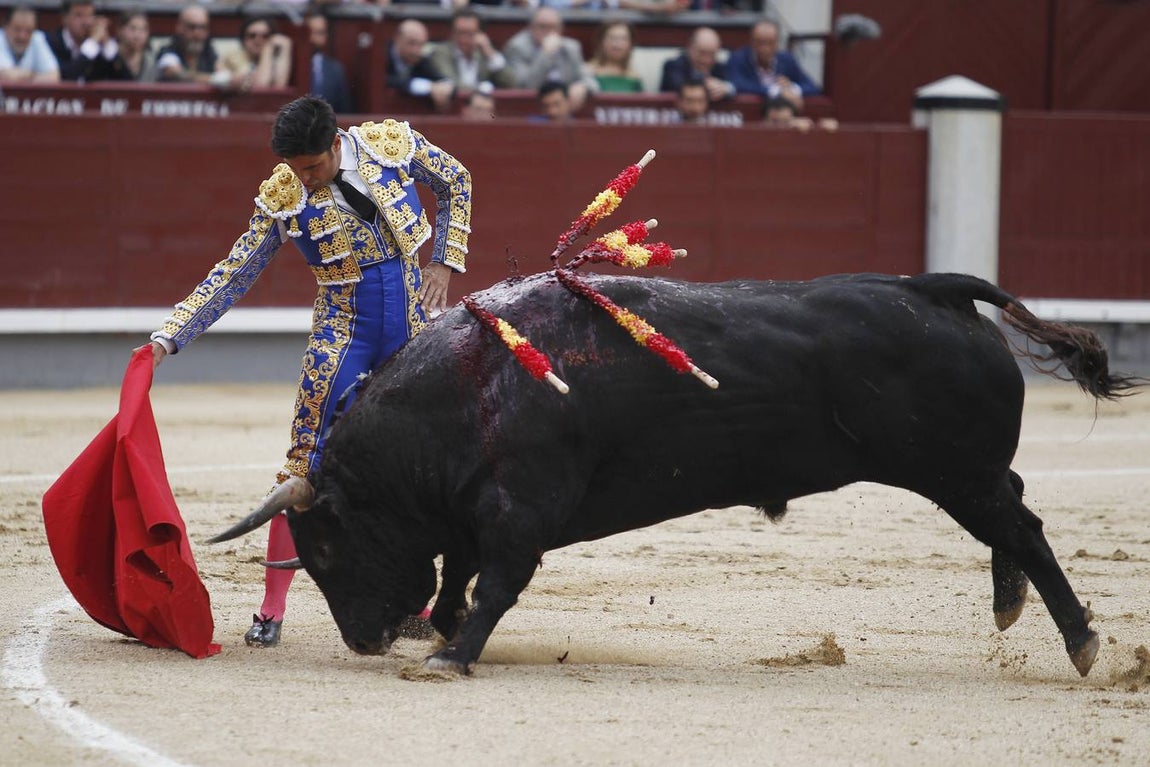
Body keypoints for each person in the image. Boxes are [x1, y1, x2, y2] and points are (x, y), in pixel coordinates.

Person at [139, 96, 472, 647]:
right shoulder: (285, 194)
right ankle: (271, 609)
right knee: (304, 465)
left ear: (336, 143)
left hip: (413, 329)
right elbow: (234, 272)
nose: (304, 179)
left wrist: (444, 259)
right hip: (342, 334)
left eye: (312, 167)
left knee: (414, 468)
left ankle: (416, 602)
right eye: (296, 169)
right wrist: (170, 337)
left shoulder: (390, 145)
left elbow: (456, 180)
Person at [503, 7, 597, 112]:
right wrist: (545, 54)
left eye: (553, 27)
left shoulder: (571, 47)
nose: (548, 32)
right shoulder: (517, 47)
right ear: (530, 28)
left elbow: (591, 83)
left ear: (560, 29)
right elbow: (526, 86)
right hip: (529, 109)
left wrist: (583, 86)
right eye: (542, 26)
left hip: (565, 110)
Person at [727, 18, 820, 111]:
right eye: (760, 42)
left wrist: (791, 88)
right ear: (751, 42)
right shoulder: (738, 58)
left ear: (777, 43)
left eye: (770, 43)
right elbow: (737, 84)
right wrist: (775, 90)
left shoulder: (787, 59)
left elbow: (812, 86)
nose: (765, 48)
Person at [428, 8, 514, 97]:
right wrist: (481, 89)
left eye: (470, 33)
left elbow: (511, 83)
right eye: (460, 33)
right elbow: (452, 84)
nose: (463, 39)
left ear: (480, 34)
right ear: (452, 33)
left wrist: (490, 54)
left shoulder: (485, 52)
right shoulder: (441, 53)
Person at [387, 19, 453, 113]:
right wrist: (429, 87)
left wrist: (444, 87)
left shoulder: (421, 60)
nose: (416, 50)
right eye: (412, 43)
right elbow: (387, 80)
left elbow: (441, 79)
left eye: (421, 44)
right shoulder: (381, 55)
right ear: (397, 39)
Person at [659, 27, 733, 103]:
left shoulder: (720, 68)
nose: (706, 60)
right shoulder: (673, 66)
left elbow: (737, 84)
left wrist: (727, 88)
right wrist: (710, 87)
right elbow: (680, 87)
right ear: (690, 48)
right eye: (702, 53)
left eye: (712, 54)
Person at [220, 16, 292, 91]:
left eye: (265, 36)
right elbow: (260, 85)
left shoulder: (273, 56)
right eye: (252, 36)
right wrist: (267, 50)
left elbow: (280, 86)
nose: (258, 40)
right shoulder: (233, 57)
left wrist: (286, 48)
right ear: (243, 39)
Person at [46, 0, 112, 82]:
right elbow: (66, 78)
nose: (86, 22)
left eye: (90, 15)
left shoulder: (97, 44)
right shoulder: (50, 43)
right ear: (64, 19)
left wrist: (108, 45)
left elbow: (126, 79)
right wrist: (92, 44)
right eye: (79, 16)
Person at [155, 3, 220, 84]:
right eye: (192, 27)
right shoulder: (168, 51)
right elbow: (175, 73)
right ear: (179, 28)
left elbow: (221, 70)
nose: (197, 33)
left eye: (202, 27)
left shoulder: (209, 52)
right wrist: (214, 79)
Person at [304, 11, 353, 114]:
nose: (313, 38)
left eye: (319, 33)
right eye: (309, 32)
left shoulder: (336, 69)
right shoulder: (291, 64)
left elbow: (345, 111)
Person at [89, 10, 155, 82]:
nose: (138, 36)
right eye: (133, 29)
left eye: (143, 30)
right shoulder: (106, 57)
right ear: (120, 30)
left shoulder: (150, 61)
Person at [0, 6, 60, 83]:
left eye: (28, 31)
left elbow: (54, 77)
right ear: (5, 26)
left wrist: (27, 76)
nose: (22, 36)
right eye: (17, 29)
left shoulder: (37, 38)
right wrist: (35, 75)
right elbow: (5, 76)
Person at [586, 20, 643, 93]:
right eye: (612, 38)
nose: (617, 44)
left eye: (623, 39)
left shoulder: (635, 78)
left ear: (631, 44)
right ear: (601, 41)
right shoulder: (587, 72)